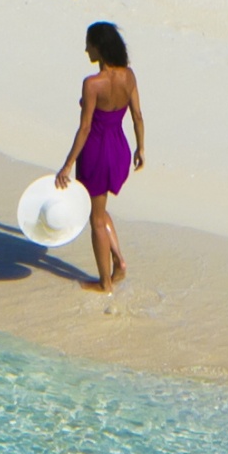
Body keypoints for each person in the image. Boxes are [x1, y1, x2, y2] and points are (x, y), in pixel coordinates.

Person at [55, 22, 144, 293]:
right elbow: (137, 116)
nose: (86, 49)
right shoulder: (129, 76)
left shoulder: (93, 84)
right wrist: (141, 148)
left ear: (100, 48)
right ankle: (119, 262)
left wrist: (67, 165)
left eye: (89, 44)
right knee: (100, 209)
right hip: (119, 148)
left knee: (95, 218)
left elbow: (85, 128)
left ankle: (105, 282)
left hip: (96, 151)